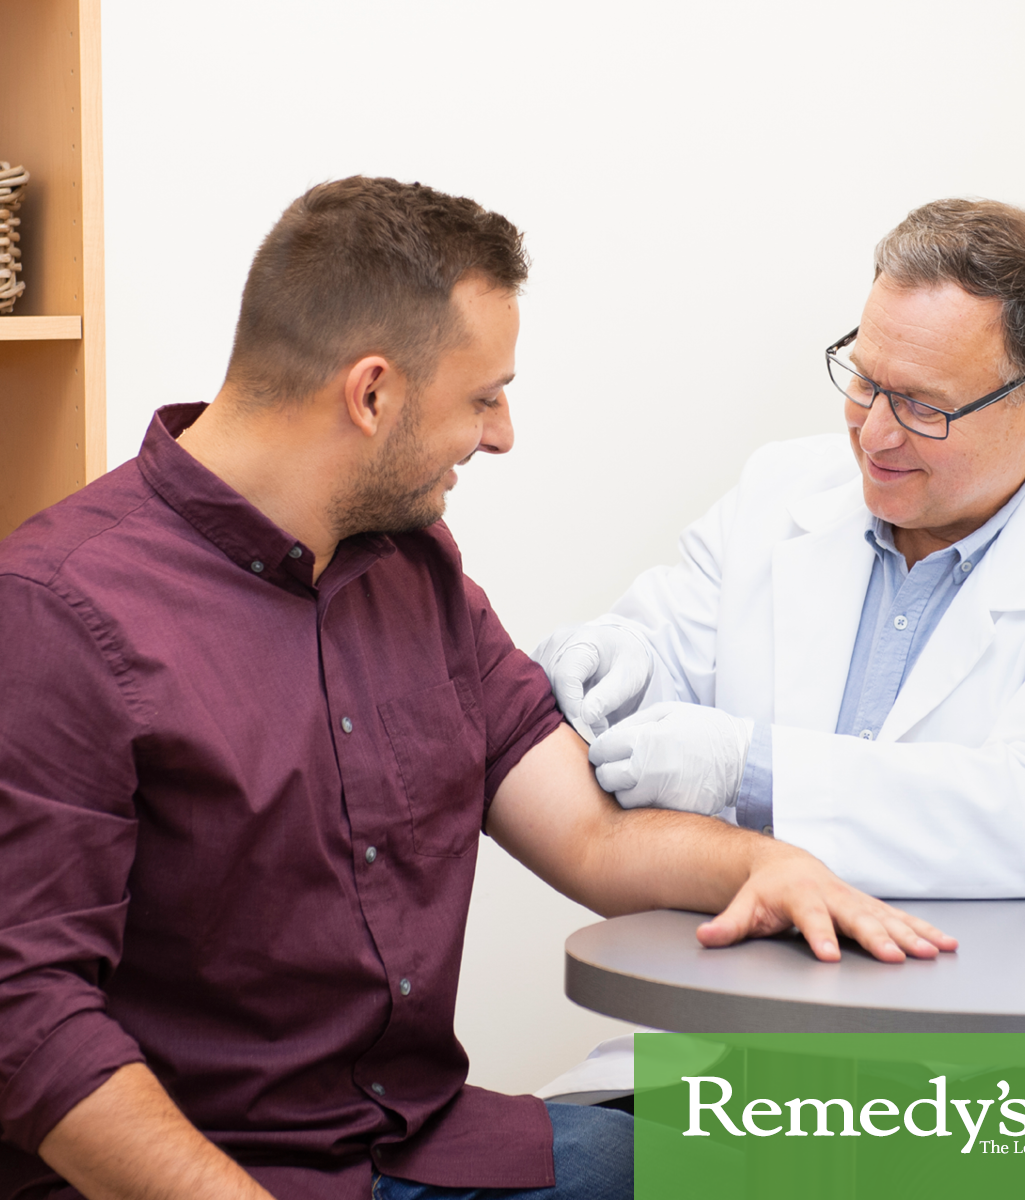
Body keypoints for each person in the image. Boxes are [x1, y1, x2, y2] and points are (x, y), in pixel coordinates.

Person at [0, 178, 955, 1200]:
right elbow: (29, 1021)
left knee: (825, 1170)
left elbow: (589, 834)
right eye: (482, 398)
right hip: (206, 1174)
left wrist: (765, 864)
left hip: (420, 1148)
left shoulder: (415, 571)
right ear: (371, 395)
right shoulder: (58, 613)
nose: (501, 435)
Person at [537, 198, 1025, 901]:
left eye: (923, 405)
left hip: (1012, 970)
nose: (874, 434)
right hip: (759, 951)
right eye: (865, 381)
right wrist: (620, 660)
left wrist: (753, 770)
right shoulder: (780, 490)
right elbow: (671, 665)